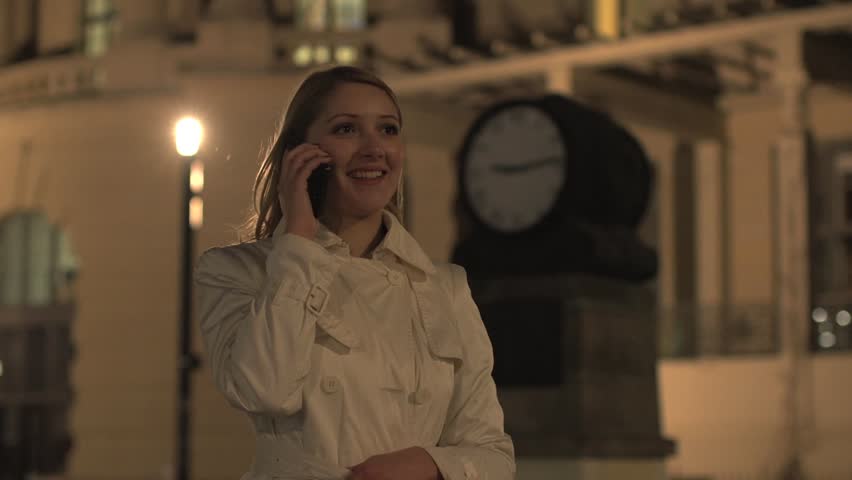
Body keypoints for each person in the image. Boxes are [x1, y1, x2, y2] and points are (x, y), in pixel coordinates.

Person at [194, 66, 516, 480]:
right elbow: (265, 389)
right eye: (346, 129)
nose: (374, 148)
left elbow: (494, 457)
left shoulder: (446, 288)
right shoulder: (236, 271)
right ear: (299, 153)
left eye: (388, 129)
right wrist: (298, 241)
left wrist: (428, 464)